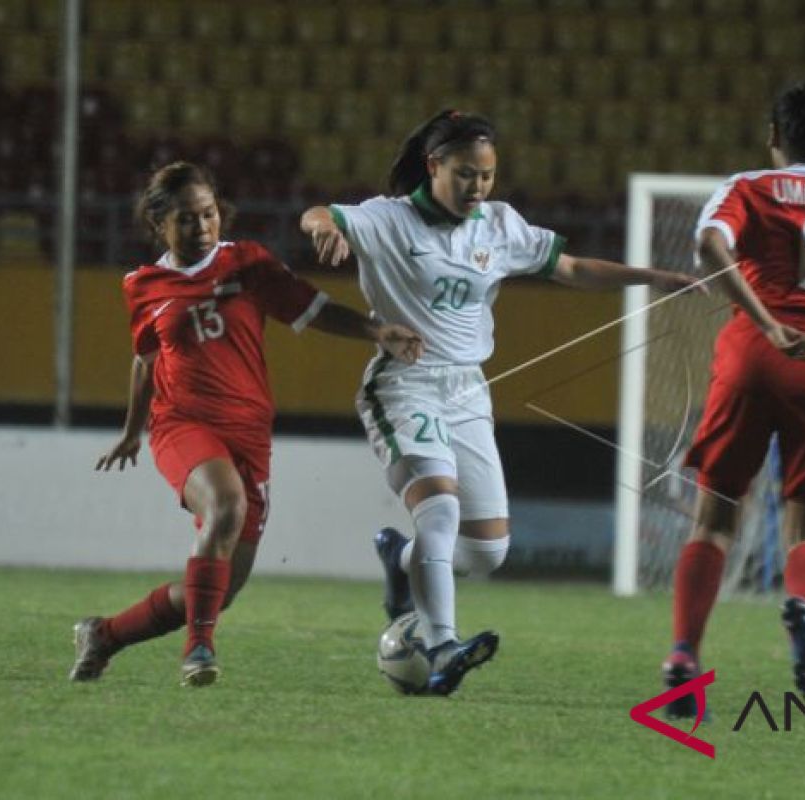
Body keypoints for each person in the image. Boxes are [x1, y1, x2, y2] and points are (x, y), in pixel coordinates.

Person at [299, 109, 699, 696]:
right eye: (465, 174)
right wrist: (323, 228)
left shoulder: (499, 225)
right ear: (434, 166)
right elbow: (320, 213)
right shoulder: (389, 220)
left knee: (488, 551)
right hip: (404, 384)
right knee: (440, 509)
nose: (478, 187)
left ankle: (402, 560)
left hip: (467, 391)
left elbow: (571, 267)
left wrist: (654, 277)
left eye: (486, 175)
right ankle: (440, 646)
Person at [70, 162, 419, 687]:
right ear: (160, 224)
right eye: (187, 219)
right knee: (225, 504)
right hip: (182, 424)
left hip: (250, 435)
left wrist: (376, 331)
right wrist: (132, 430)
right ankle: (199, 652)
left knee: (218, 588)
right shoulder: (142, 285)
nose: (202, 227)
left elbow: (311, 308)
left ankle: (104, 635)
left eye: (209, 214)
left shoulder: (248, 264)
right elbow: (145, 359)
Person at [660, 68, 805, 715]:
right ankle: (803, 610)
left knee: (715, 518)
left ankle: (685, 653)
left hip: (751, 355)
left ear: (774, 135)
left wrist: (768, 323)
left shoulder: (746, 187)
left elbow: (711, 243)